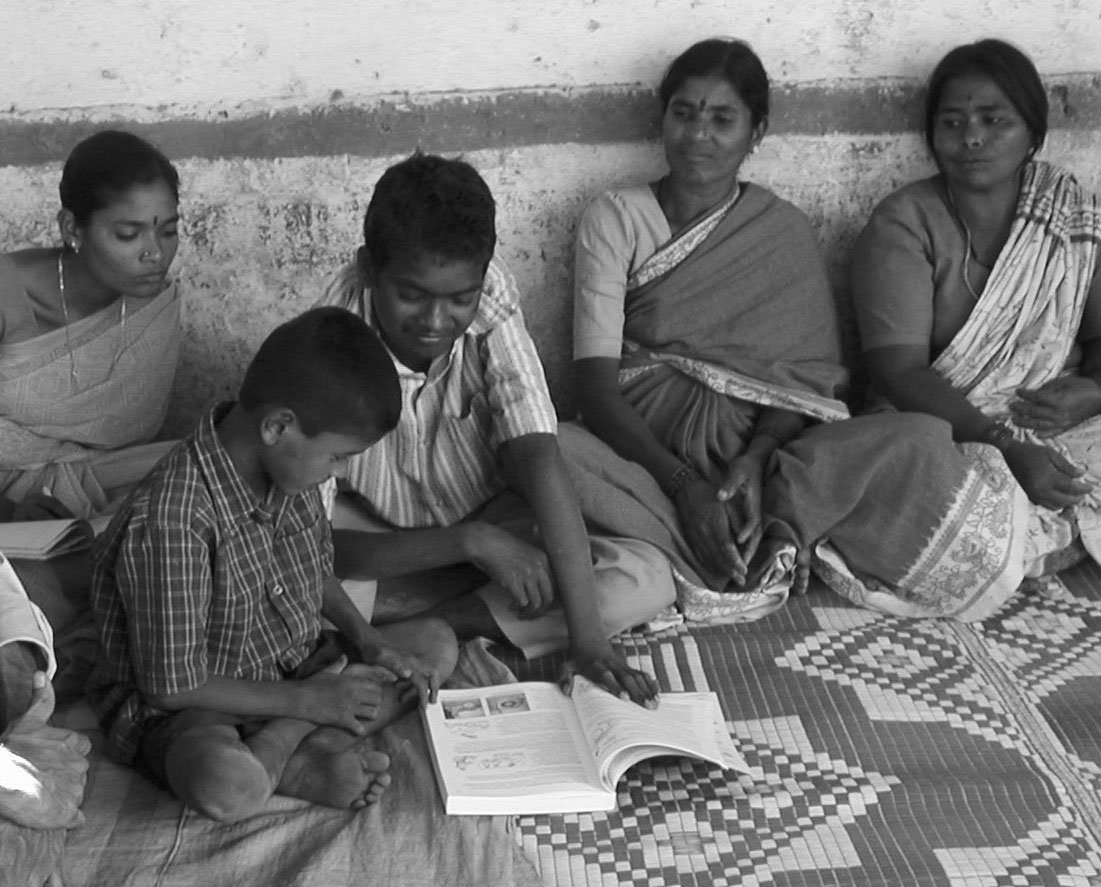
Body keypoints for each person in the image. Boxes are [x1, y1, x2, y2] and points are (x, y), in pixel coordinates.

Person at [318, 152, 674, 707]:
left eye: (459, 299)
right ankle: (457, 606)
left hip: (494, 518)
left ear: (482, 278)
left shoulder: (491, 296)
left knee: (645, 576)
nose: (436, 322)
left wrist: (588, 642)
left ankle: (433, 621)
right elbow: (318, 550)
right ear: (369, 270)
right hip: (376, 532)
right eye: (411, 295)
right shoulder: (331, 339)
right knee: (290, 588)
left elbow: (536, 450)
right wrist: (468, 543)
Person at [85, 307, 458, 823]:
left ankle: (284, 747)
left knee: (435, 644)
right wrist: (309, 702)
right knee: (224, 783)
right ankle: (304, 742)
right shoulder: (173, 520)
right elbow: (170, 686)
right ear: (278, 426)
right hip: (196, 703)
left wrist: (370, 641)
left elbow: (312, 571)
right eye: (337, 457)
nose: (341, 471)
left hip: (296, 663)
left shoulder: (289, 472)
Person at [573, 38, 855, 622]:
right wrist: (682, 483)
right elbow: (595, 388)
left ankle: (732, 530)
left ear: (756, 133)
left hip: (751, 451)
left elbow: (797, 383)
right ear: (662, 118)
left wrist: (755, 457)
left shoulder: (780, 231)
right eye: (684, 113)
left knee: (899, 443)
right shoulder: (615, 218)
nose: (698, 134)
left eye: (723, 119)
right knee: (551, 451)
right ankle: (756, 540)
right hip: (646, 449)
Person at [851, 38, 1101, 604]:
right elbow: (898, 371)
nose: (971, 138)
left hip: (1059, 422)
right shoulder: (904, 224)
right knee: (946, 508)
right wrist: (1006, 445)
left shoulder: (1068, 215)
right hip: (947, 430)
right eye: (953, 121)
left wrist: (1093, 392)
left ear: (1033, 134)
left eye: (994, 120)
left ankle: (1044, 529)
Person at [0, 129, 183, 522]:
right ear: (71, 228)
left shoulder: (153, 307)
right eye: (128, 234)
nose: (155, 252)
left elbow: (122, 455)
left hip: (109, 485)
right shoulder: (6, 293)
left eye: (168, 230)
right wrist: (12, 513)